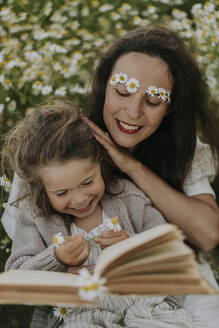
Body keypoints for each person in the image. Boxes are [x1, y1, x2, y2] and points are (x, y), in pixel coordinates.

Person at [3, 97, 203, 328]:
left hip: (145, 306)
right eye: (62, 192)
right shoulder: (36, 217)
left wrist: (130, 248)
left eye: (88, 182)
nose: (80, 199)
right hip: (80, 314)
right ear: (41, 188)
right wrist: (56, 259)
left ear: (99, 163)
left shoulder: (127, 197)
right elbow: (17, 277)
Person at [82, 24, 219, 252]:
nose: (134, 112)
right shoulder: (66, 138)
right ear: (104, 86)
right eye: (123, 93)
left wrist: (132, 167)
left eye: (153, 102)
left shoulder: (183, 147)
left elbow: (208, 234)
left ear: (169, 108)